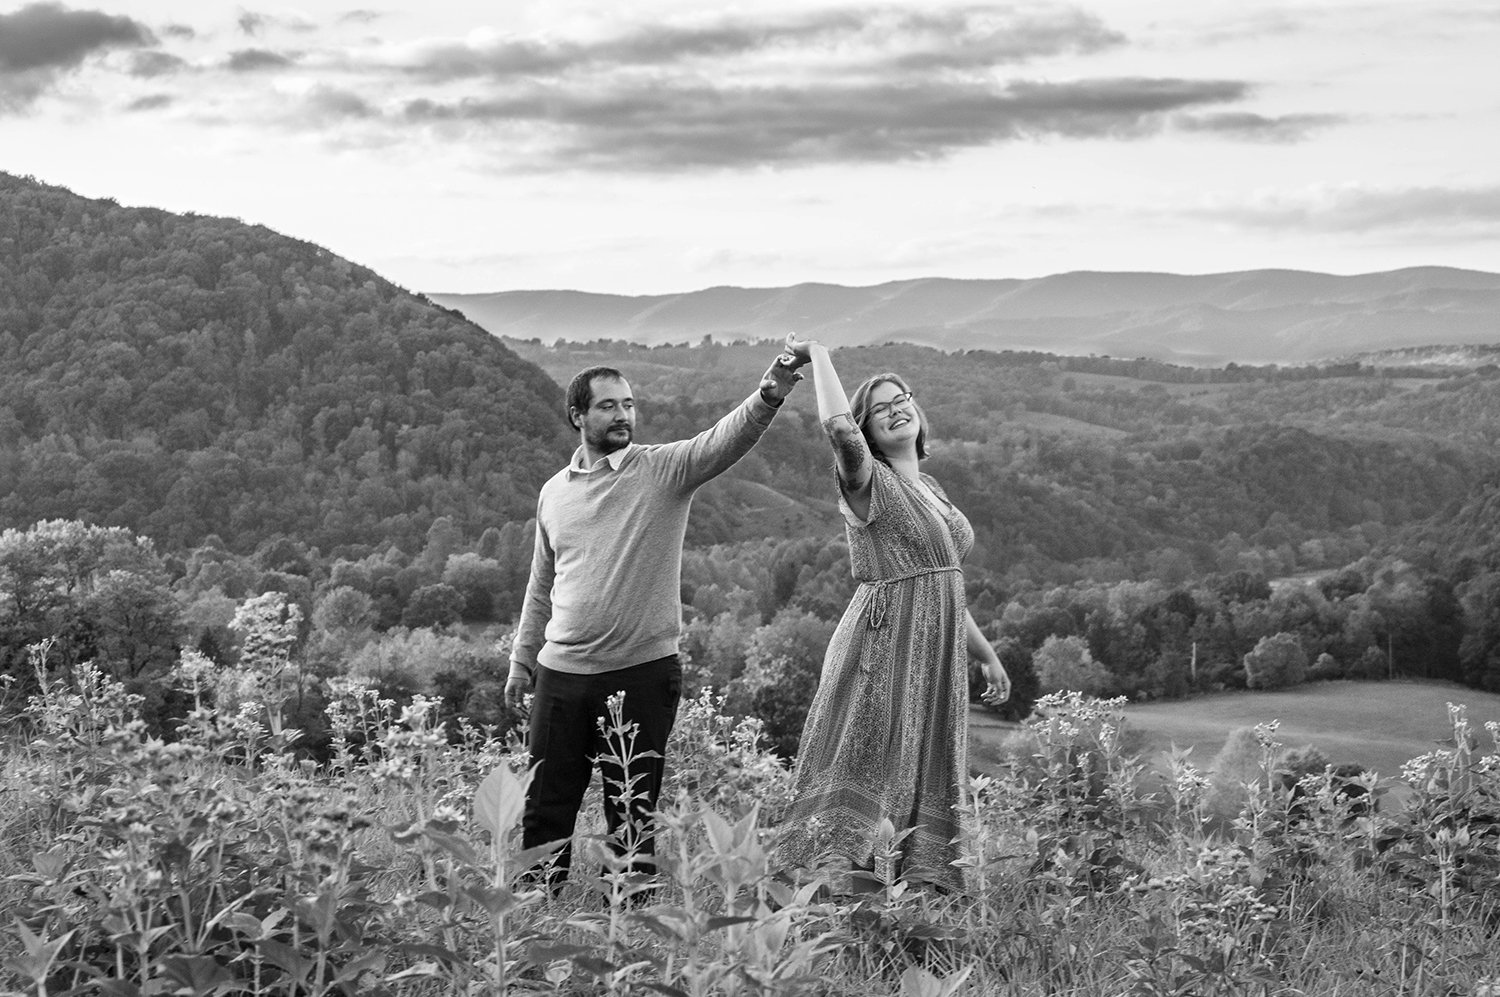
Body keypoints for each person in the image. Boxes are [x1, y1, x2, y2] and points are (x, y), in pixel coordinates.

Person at [504, 354, 803, 887]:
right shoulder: (554, 493)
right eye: (608, 406)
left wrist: (770, 393)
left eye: (629, 405)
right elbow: (540, 584)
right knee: (544, 809)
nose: (623, 415)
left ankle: (631, 931)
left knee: (632, 817)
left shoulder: (661, 469)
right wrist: (521, 662)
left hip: (640, 674)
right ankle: (531, 919)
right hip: (561, 675)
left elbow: (720, 441)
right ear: (577, 415)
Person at [774, 332, 1010, 893]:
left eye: (902, 398)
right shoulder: (865, 480)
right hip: (884, 644)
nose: (896, 409)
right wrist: (819, 355)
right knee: (871, 762)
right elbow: (837, 428)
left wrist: (988, 656)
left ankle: (912, 903)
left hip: (935, 654)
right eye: (879, 409)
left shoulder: (931, 487)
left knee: (920, 767)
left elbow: (946, 578)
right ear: (870, 432)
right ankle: (834, 901)